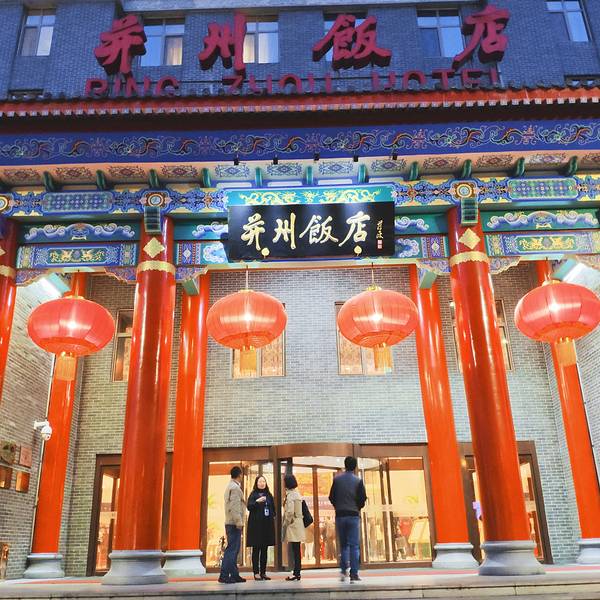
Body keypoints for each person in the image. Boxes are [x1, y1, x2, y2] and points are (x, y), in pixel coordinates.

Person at [329, 456, 367, 583]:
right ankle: (354, 573)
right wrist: (357, 507)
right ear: (355, 466)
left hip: (340, 515)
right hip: (353, 515)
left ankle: (343, 570)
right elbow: (362, 499)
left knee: (344, 545)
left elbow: (331, 497)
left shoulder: (337, 480)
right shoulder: (358, 481)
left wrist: (338, 506)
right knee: (354, 546)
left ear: (345, 465)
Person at [219, 466, 246, 584]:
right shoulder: (235, 488)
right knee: (232, 550)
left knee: (234, 550)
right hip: (233, 523)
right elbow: (235, 506)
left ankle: (234, 575)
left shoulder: (230, 486)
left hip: (230, 522)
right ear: (240, 475)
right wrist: (239, 521)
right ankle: (224, 575)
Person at [246, 475, 276, 580]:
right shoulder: (253, 494)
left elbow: (273, 509)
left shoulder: (269, 495)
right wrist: (257, 502)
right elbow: (249, 506)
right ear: (256, 483)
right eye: (260, 481)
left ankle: (263, 572)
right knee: (256, 549)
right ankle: (256, 572)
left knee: (264, 550)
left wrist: (271, 515)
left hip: (266, 526)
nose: (262, 483)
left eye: (264, 481)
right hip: (256, 526)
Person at [282, 474, 305, 581]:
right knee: (297, 549)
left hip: (293, 523)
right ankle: (297, 572)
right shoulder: (297, 493)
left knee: (294, 549)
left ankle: (296, 572)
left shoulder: (291, 495)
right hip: (298, 522)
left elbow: (290, 511)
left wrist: (286, 522)